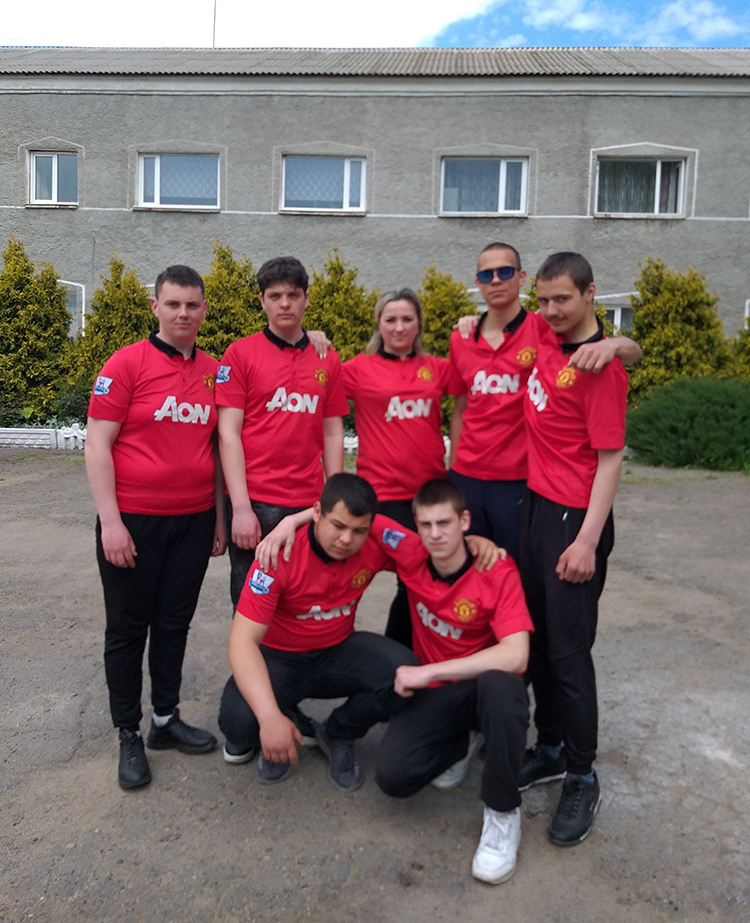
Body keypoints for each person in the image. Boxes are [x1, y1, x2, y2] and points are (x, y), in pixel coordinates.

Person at [85, 265, 224, 791]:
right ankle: (129, 733)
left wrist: (219, 517)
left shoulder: (215, 372)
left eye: (192, 304)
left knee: (173, 624)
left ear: (203, 309)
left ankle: (166, 719)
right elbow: (97, 444)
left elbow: (218, 450)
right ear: (156, 307)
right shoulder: (125, 365)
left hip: (193, 522)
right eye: (173, 304)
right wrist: (111, 522)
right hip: (133, 522)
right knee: (127, 630)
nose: (183, 313)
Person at [517, 251, 629, 847]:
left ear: (591, 293)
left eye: (563, 298)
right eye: (544, 299)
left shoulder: (601, 370)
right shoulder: (545, 333)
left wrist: (586, 540)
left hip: (574, 522)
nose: (551, 310)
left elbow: (610, 461)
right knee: (536, 641)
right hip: (537, 509)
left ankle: (583, 775)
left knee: (568, 654)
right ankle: (553, 747)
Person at [374, 479, 533, 885]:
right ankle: (460, 742)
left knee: (504, 688)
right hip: (440, 696)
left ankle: (502, 812)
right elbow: (354, 514)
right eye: (425, 524)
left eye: (444, 523)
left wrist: (428, 672)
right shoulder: (410, 551)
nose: (435, 534)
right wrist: (290, 523)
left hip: (479, 688)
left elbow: (517, 654)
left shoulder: (496, 569)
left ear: (464, 521)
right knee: (393, 777)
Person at [217, 473, 420, 791]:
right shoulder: (278, 553)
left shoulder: (374, 541)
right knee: (237, 723)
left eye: (359, 530)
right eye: (337, 525)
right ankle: (286, 717)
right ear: (316, 513)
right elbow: (242, 642)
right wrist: (270, 718)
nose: (346, 539)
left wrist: (475, 545)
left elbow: (434, 554)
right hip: (281, 660)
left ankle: (338, 732)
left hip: (337, 650)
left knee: (407, 676)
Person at [449, 241, 641, 562]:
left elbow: (629, 351)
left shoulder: (541, 327)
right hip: (467, 476)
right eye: (486, 274)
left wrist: (615, 344)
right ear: (477, 282)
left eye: (504, 272)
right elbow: (460, 409)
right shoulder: (462, 337)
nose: (495, 280)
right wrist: (453, 469)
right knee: (466, 570)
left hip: (519, 480)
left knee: (515, 573)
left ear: (521, 277)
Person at [216, 256, 348, 609]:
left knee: (304, 599)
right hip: (255, 502)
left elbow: (333, 432)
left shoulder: (327, 358)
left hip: (309, 501)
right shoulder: (240, 354)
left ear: (307, 298)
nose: (285, 304)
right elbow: (228, 434)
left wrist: (334, 494)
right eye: (275, 296)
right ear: (262, 300)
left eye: (293, 295)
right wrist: (240, 508)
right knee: (251, 602)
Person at [342, 289, 452, 645]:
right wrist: (313, 340)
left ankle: (405, 656)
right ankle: (340, 646)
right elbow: (314, 381)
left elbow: (482, 383)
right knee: (401, 571)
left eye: (407, 319)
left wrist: (471, 327)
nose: (399, 327)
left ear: (419, 323)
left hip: (431, 496)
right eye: (391, 319)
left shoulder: (438, 369)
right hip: (383, 496)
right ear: (379, 324)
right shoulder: (358, 369)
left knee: (422, 580)